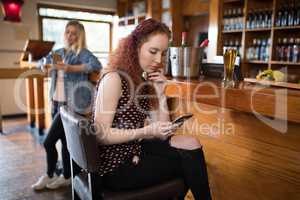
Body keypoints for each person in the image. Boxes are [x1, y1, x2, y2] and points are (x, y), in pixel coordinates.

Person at [93, 18, 212, 200]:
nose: (158, 60)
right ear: (135, 47)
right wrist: (147, 130)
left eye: (163, 54)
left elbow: (163, 133)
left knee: (192, 144)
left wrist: (160, 93)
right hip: (116, 168)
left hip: (134, 150)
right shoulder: (115, 79)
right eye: (153, 51)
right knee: (189, 165)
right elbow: (101, 135)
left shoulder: (140, 79)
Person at [32, 20, 102, 190]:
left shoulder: (82, 53)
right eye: (67, 32)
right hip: (56, 103)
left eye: (74, 33)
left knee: (48, 142)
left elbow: (95, 65)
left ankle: (49, 175)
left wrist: (71, 68)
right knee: (64, 142)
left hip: (72, 106)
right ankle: (66, 176)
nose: (70, 36)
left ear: (79, 36)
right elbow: (40, 63)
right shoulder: (58, 52)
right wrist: (45, 67)